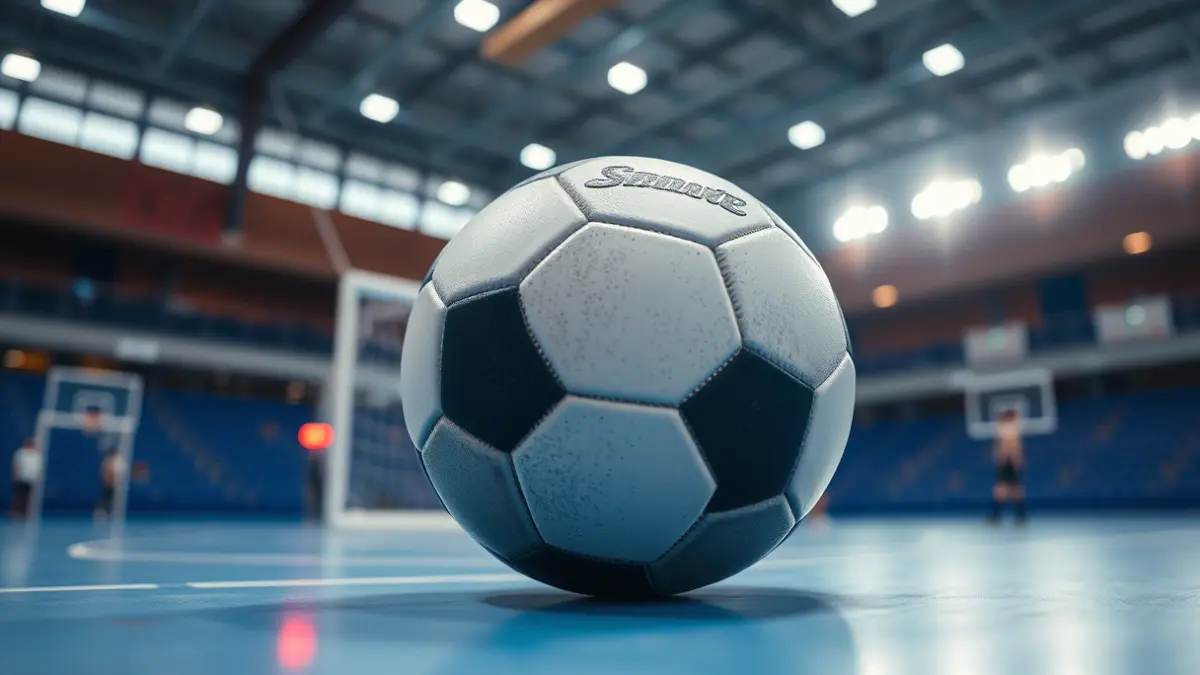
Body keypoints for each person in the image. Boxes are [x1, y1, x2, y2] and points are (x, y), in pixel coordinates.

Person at [989, 409, 1027, 524]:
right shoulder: (1009, 428)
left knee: (1008, 490)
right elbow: (1009, 448)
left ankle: (997, 516)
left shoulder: (1006, 428)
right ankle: (1018, 516)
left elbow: (1008, 448)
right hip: (1008, 462)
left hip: (1008, 463)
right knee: (1008, 490)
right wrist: (1014, 461)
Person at [9, 438, 41, 520]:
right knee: (19, 496)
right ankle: (14, 512)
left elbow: (37, 468)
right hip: (21, 478)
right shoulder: (20, 453)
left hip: (31, 479)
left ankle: (26, 512)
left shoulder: (36, 455)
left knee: (29, 496)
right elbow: (16, 466)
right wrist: (15, 476)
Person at [95, 447, 125, 521]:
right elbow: (104, 473)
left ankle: (111, 513)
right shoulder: (107, 462)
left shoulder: (118, 462)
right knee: (106, 499)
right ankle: (101, 512)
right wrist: (106, 480)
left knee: (113, 500)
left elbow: (120, 474)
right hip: (107, 484)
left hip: (114, 485)